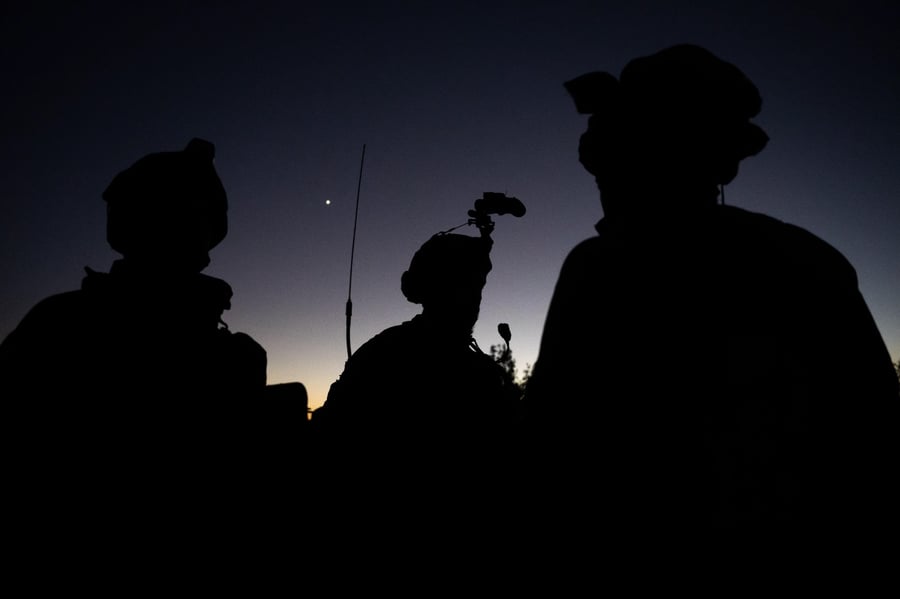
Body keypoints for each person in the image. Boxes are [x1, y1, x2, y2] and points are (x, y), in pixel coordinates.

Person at [521, 44, 899, 535]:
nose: (601, 183)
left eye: (610, 160)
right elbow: (874, 430)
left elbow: (548, 447)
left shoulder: (600, 267)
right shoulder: (810, 259)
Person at [1, 138, 273, 546]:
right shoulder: (61, 325)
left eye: (195, 223)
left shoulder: (58, 318)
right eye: (175, 218)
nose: (189, 238)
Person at [310, 227, 521, 525]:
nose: (473, 296)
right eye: (461, 283)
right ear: (434, 288)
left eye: (476, 285)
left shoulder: (483, 370)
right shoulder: (386, 354)